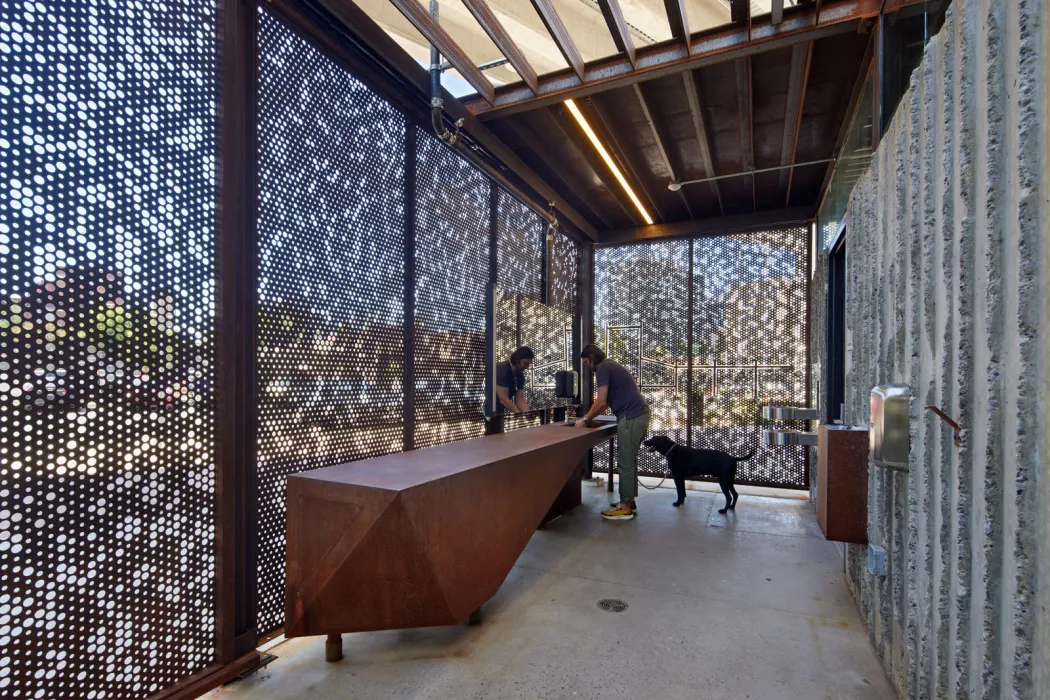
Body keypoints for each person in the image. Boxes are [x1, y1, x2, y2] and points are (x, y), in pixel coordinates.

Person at [575, 344, 649, 521]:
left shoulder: (603, 368)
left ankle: (625, 508)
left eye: (586, 362)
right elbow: (605, 403)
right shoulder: (611, 366)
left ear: (592, 358)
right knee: (628, 461)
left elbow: (601, 402)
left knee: (625, 462)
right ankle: (628, 502)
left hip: (631, 417)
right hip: (637, 415)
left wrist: (585, 420)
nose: (587, 366)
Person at [492, 346, 534, 414]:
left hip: (500, 411)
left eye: (529, 364)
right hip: (490, 412)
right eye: (525, 363)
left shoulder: (520, 375)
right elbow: (503, 399)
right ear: (517, 360)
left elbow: (520, 398)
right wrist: (519, 414)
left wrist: (527, 413)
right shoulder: (502, 369)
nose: (527, 367)